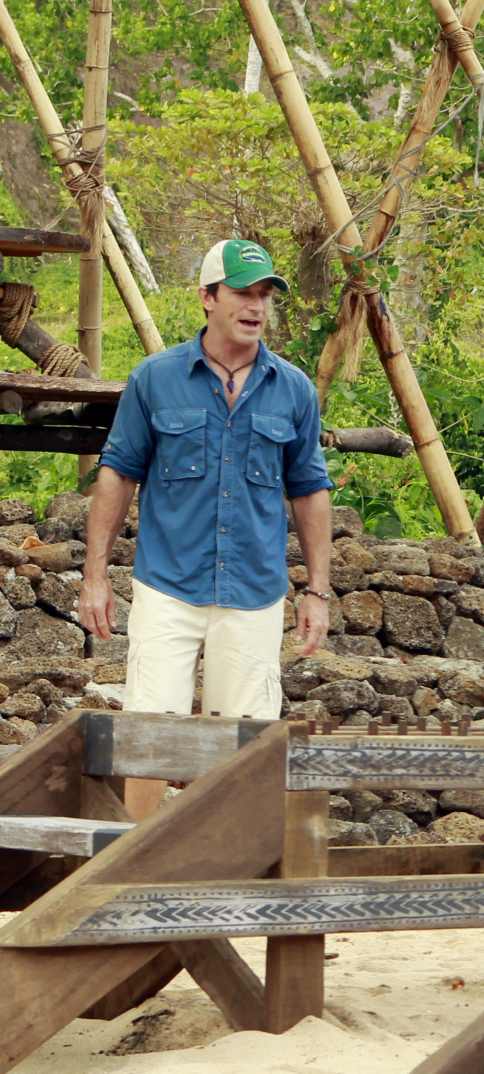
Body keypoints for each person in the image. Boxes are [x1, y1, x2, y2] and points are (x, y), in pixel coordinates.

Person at [79, 238, 334, 818]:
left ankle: (229, 878)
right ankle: (137, 865)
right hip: (168, 585)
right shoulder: (155, 378)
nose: (257, 306)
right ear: (208, 297)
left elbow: (309, 489)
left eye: (266, 294)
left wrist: (317, 590)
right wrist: (95, 576)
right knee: (149, 736)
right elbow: (117, 475)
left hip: (254, 591)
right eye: (244, 292)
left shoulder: (293, 388)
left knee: (245, 746)